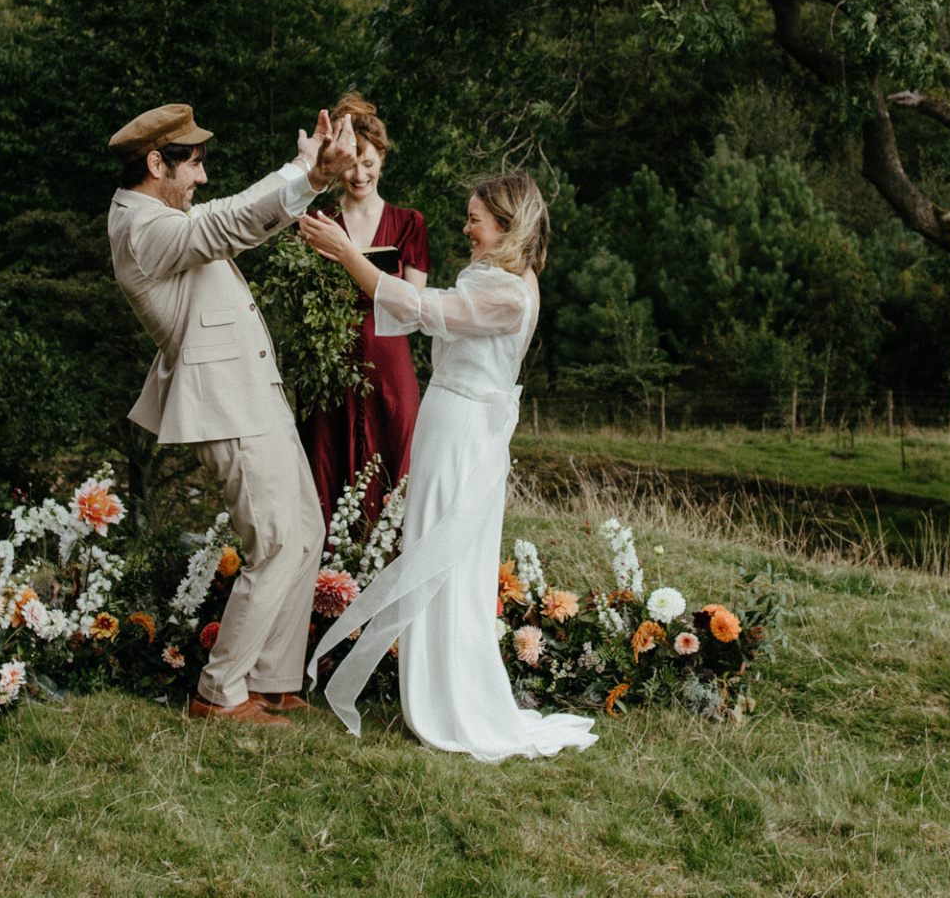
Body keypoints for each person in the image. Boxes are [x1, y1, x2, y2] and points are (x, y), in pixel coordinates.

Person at [296, 173, 598, 762]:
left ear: (507, 228)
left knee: (446, 561)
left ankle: (449, 699)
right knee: (433, 551)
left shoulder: (508, 294)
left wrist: (348, 254)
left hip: (464, 434)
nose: (464, 228)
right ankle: (432, 687)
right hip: (451, 423)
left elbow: (417, 307)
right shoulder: (503, 278)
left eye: (475, 219)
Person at [107, 102, 354, 727]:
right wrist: (313, 179)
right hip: (227, 402)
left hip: (250, 392)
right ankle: (219, 694)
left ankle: (270, 678)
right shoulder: (143, 228)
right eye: (193, 165)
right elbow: (227, 223)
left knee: (304, 528)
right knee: (273, 541)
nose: (202, 178)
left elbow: (221, 212)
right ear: (156, 162)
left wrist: (301, 164)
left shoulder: (161, 214)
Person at [297, 92, 429, 527]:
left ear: (383, 160)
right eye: (351, 164)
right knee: (327, 468)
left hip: (389, 362)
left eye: (368, 163)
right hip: (332, 365)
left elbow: (413, 308)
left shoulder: (409, 222)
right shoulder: (318, 219)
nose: (359, 174)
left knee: (395, 471)